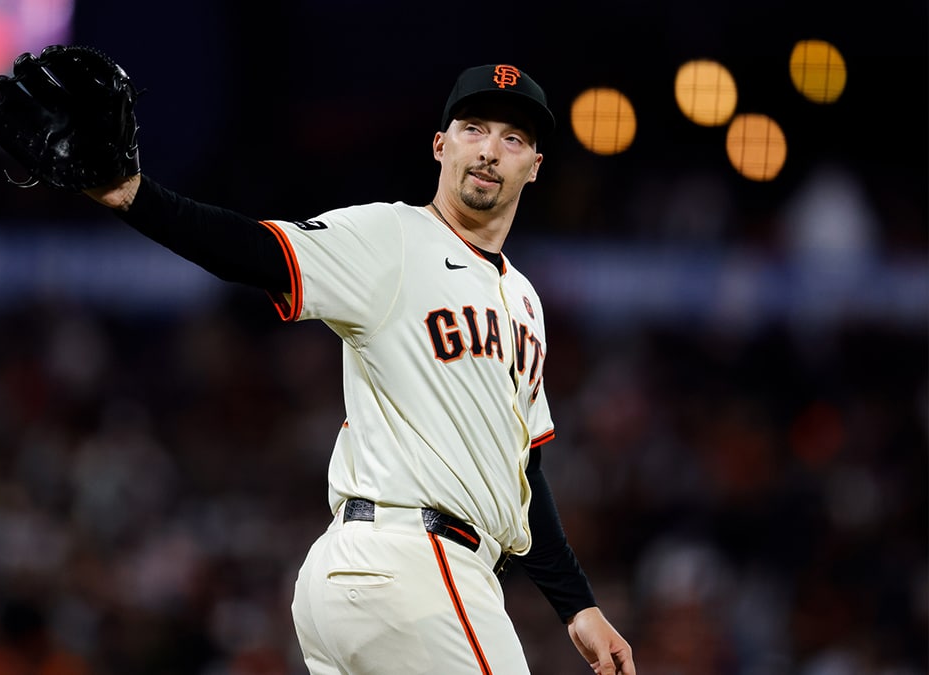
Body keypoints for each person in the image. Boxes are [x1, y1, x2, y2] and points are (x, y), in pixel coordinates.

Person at [83, 63, 635, 675]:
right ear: (440, 145)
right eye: (473, 128)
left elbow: (523, 470)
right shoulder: (393, 236)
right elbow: (254, 251)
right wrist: (133, 195)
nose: (488, 150)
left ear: (534, 164)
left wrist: (577, 607)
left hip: (365, 582)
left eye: (512, 138)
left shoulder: (525, 300)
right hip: (413, 564)